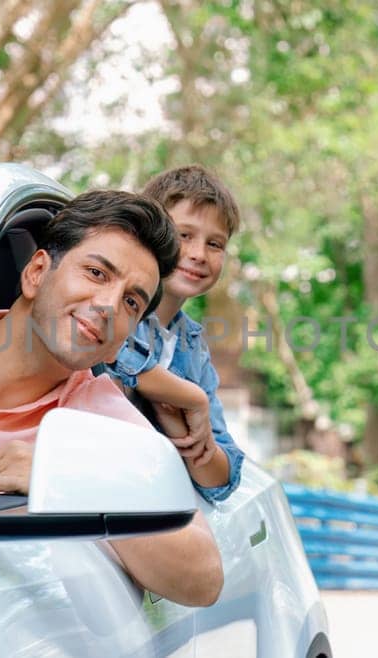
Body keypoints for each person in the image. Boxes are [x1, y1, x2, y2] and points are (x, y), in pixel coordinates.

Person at [0, 189, 223, 607]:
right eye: (97, 273)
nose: (107, 306)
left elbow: (204, 577)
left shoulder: (104, 422)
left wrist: (64, 478)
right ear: (36, 272)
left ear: (120, 345)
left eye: (131, 302)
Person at [97, 166, 246, 503]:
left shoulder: (192, 347)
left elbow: (222, 478)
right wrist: (189, 398)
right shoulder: (107, 303)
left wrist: (176, 421)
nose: (198, 254)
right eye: (184, 235)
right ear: (151, 231)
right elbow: (106, 352)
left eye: (215, 244)